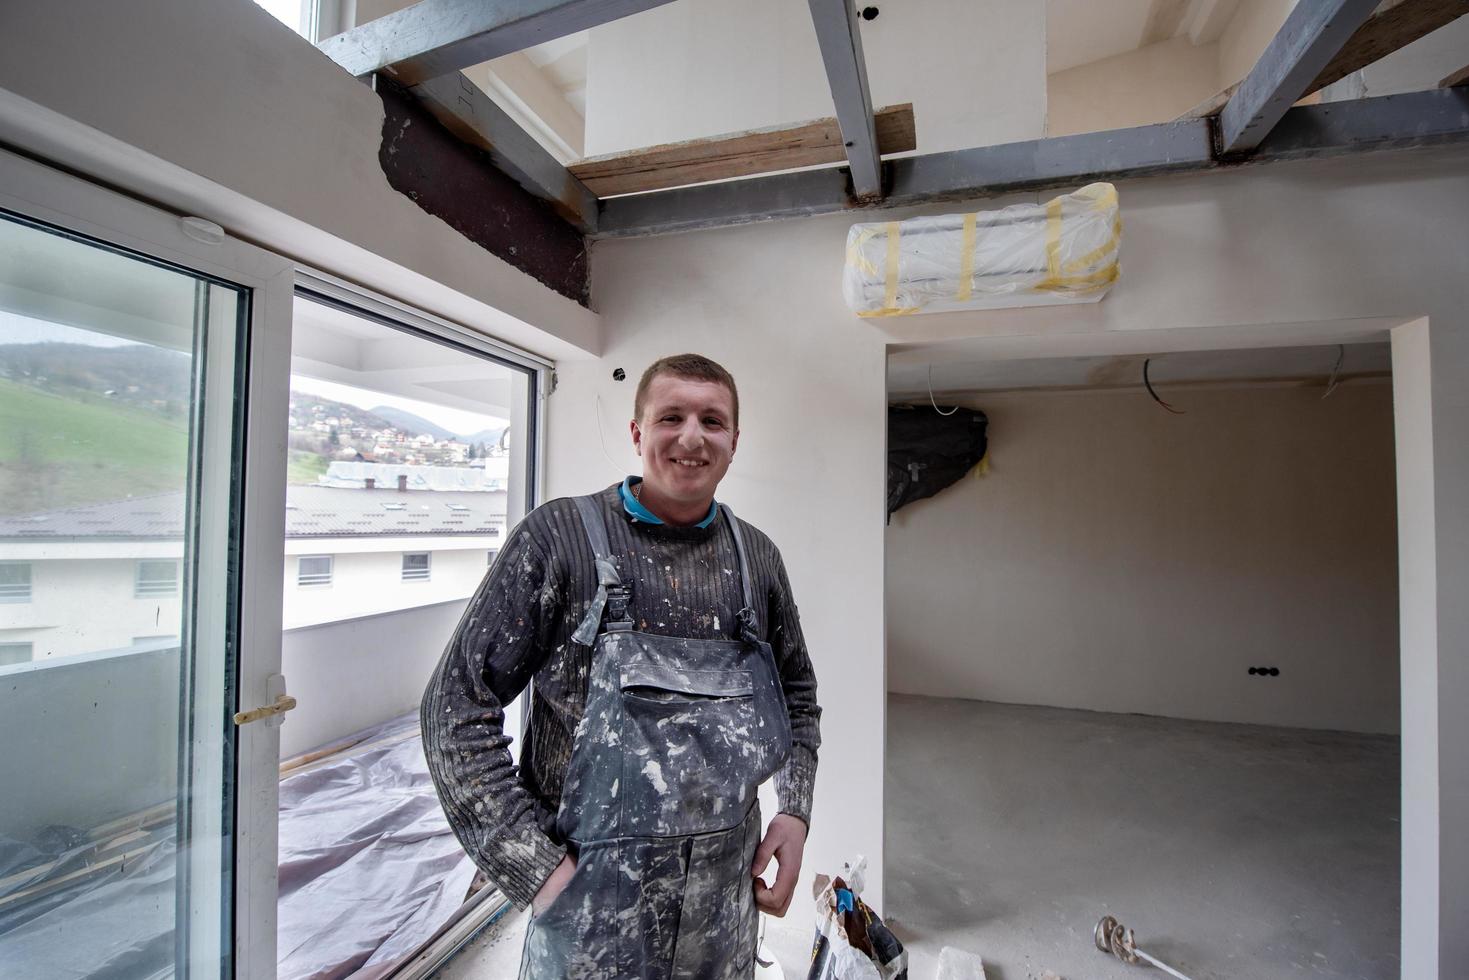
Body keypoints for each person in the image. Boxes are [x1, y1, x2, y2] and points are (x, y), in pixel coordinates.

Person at [421, 353, 822, 979]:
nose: (692, 437)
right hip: (589, 912)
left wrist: (794, 811)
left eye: (712, 421)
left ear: (734, 442)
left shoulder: (758, 561)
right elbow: (453, 707)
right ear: (638, 433)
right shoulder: (558, 540)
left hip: (724, 911)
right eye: (671, 417)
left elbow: (797, 694)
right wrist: (532, 865)